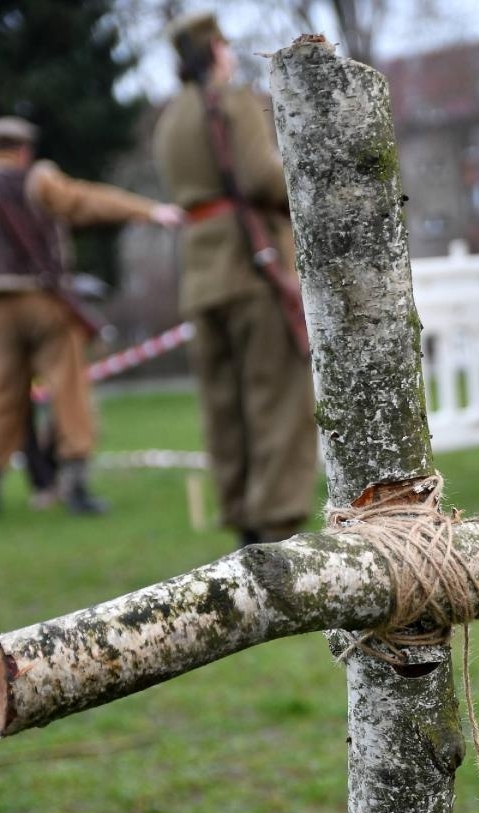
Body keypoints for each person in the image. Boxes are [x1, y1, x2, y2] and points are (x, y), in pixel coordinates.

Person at [153, 11, 317, 546]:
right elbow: (262, 177)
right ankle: (276, 521)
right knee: (274, 394)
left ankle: (242, 513)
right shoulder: (231, 101)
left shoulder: (169, 118)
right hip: (252, 265)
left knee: (225, 407)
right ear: (213, 51)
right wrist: (311, 198)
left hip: (200, 273)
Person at [0, 116, 183, 520]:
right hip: (44, 301)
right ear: (24, 150)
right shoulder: (36, 180)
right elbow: (86, 200)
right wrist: (148, 210)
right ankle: (75, 487)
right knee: (68, 391)